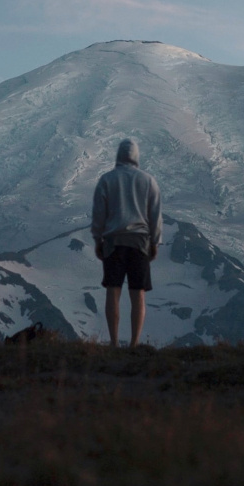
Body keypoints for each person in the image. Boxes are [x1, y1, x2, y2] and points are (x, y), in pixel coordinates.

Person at [91, 138, 162, 347]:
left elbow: (98, 214)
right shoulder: (148, 181)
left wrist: (98, 238)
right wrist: (155, 242)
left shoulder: (106, 180)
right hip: (140, 242)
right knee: (137, 293)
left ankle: (113, 342)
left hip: (113, 241)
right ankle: (134, 343)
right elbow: (155, 215)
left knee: (113, 290)